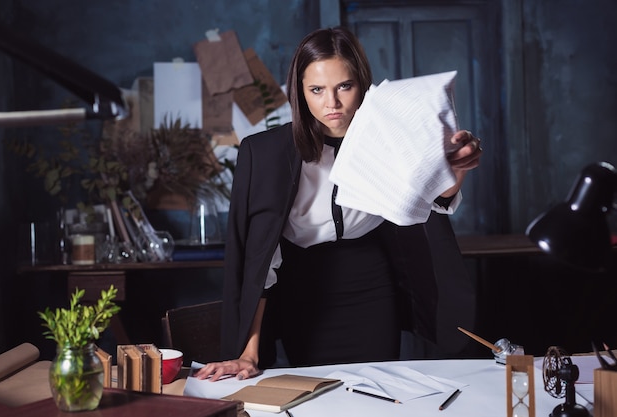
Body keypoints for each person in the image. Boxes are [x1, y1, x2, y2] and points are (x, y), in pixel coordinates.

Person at [195, 26, 482, 382]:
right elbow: (260, 263)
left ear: (362, 83)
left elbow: (432, 204)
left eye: (344, 86)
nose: (331, 103)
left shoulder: (392, 141)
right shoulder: (264, 154)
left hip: (371, 281)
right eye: (316, 90)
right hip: (304, 289)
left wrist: (455, 171)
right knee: (318, 391)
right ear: (299, 91)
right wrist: (248, 353)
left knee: (376, 389)